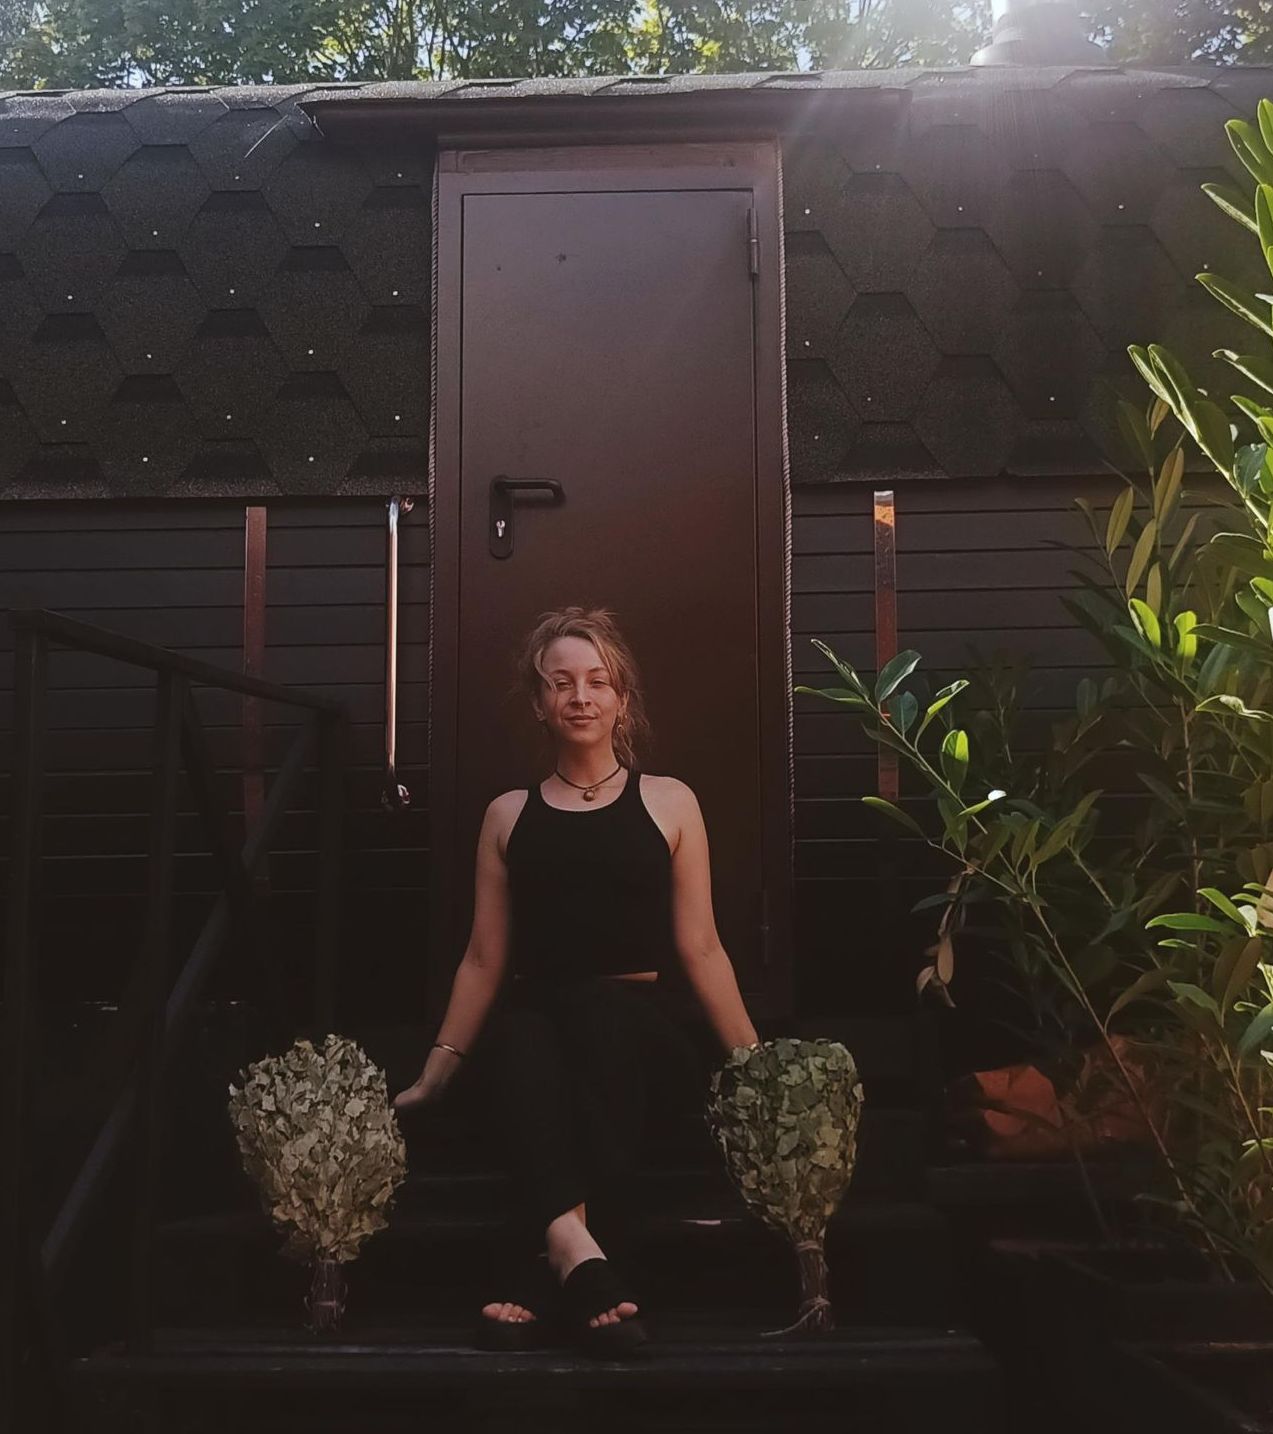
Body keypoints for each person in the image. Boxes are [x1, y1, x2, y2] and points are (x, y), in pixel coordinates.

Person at [390, 605, 761, 1357]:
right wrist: (434, 1075)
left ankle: (533, 1259)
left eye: (597, 682)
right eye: (561, 684)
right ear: (540, 703)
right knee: (525, 1032)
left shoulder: (669, 801)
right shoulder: (507, 815)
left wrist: (757, 1064)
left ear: (622, 698)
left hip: (639, 1028)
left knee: (591, 1007)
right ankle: (578, 1256)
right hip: (542, 1028)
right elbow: (484, 959)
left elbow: (702, 946)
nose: (580, 696)